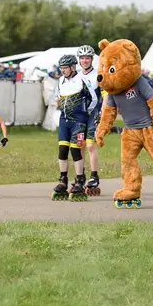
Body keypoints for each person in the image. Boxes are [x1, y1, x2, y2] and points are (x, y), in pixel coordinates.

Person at [53, 54, 97, 201]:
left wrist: (85, 113)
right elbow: (58, 97)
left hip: (78, 121)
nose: (63, 70)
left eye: (65, 68)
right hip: (64, 120)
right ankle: (63, 180)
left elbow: (93, 98)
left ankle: (79, 180)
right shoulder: (60, 80)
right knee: (62, 150)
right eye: (61, 68)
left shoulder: (82, 79)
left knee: (75, 150)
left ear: (73, 67)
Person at [77, 45, 103, 195]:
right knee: (79, 145)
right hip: (80, 116)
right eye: (82, 58)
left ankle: (94, 176)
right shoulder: (76, 76)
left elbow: (105, 96)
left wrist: (102, 113)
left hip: (94, 114)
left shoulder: (98, 75)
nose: (84, 60)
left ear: (92, 59)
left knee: (90, 146)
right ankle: (80, 176)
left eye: (87, 58)